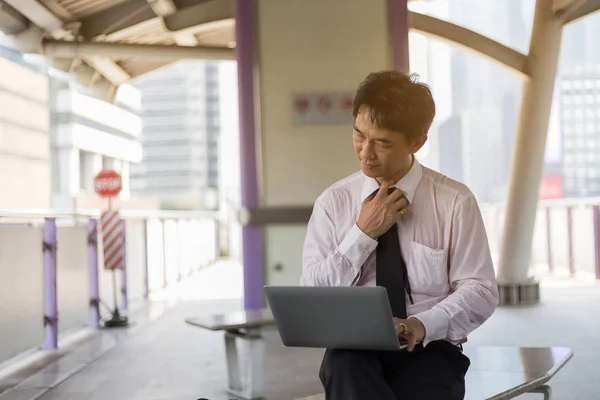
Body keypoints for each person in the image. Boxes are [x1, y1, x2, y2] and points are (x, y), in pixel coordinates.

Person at [300, 70, 499, 400]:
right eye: (359, 136)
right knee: (344, 367)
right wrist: (363, 233)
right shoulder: (334, 203)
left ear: (417, 141)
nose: (366, 153)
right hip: (354, 349)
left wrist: (421, 324)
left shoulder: (454, 201)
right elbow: (312, 294)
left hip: (430, 348)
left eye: (382, 143)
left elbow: (480, 290)